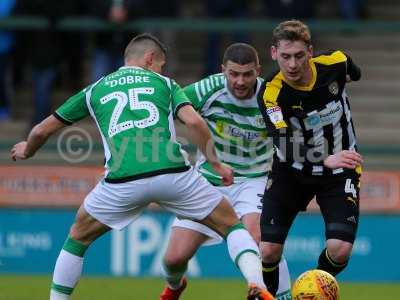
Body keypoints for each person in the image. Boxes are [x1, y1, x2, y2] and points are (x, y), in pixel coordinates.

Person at [10, 33, 273, 300]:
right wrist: (215, 163)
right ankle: (255, 284)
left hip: (122, 180)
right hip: (173, 173)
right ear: (149, 59)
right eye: (160, 64)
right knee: (231, 225)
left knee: (77, 238)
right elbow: (194, 123)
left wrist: (27, 149)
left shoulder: (95, 89)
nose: (161, 69)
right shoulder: (165, 83)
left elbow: (43, 130)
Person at [160, 43, 291, 300]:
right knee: (174, 258)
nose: (240, 81)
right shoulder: (207, 89)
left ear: (258, 71)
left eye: (247, 74)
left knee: (260, 241)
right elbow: (164, 110)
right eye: (233, 74)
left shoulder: (271, 96)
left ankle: (273, 293)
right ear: (223, 70)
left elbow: (292, 136)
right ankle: (175, 287)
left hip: (255, 179)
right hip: (209, 180)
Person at [256, 20, 363, 297]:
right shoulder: (271, 92)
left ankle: (309, 291)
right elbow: (282, 141)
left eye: (299, 56)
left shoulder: (335, 64)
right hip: (291, 170)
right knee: (268, 250)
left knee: (340, 249)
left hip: (342, 168)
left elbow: (354, 71)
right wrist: (323, 157)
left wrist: (346, 80)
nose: (292, 64)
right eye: (285, 56)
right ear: (273, 53)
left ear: (311, 52)